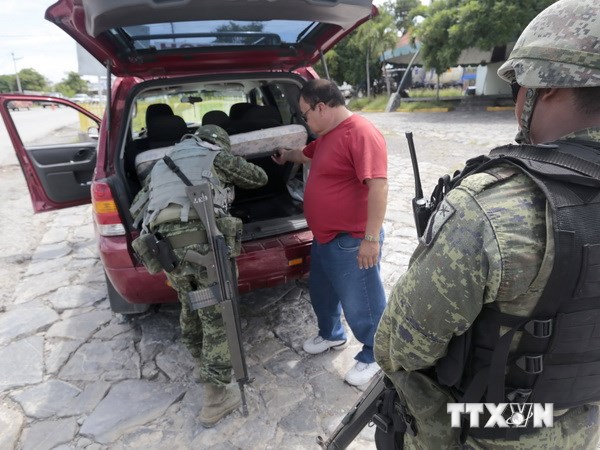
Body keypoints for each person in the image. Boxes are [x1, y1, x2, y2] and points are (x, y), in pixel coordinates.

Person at [374, 0, 600, 448]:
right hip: (583, 422)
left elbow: (399, 346)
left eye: (517, 82)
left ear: (546, 87)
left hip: (488, 431)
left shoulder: (490, 209)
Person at [131, 125, 268, 427]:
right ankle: (216, 399)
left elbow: (136, 207)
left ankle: (202, 365)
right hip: (203, 244)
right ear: (217, 142)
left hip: (166, 249)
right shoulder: (214, 154)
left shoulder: (162, 162)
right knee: (219, 316)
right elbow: (259, 178)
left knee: (193, 305)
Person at [272, 79, 388, 386]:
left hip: (352, 240)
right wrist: (286, 154)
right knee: (322, 295)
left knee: (362, 302)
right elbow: (305, 155)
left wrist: (371, 239)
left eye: (305, 114)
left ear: (321, 107)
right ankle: (331, 335)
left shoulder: (360, 133)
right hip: (325, 238)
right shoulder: (326, 135)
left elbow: (378, 185)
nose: (305, 121)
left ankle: (377, 353)